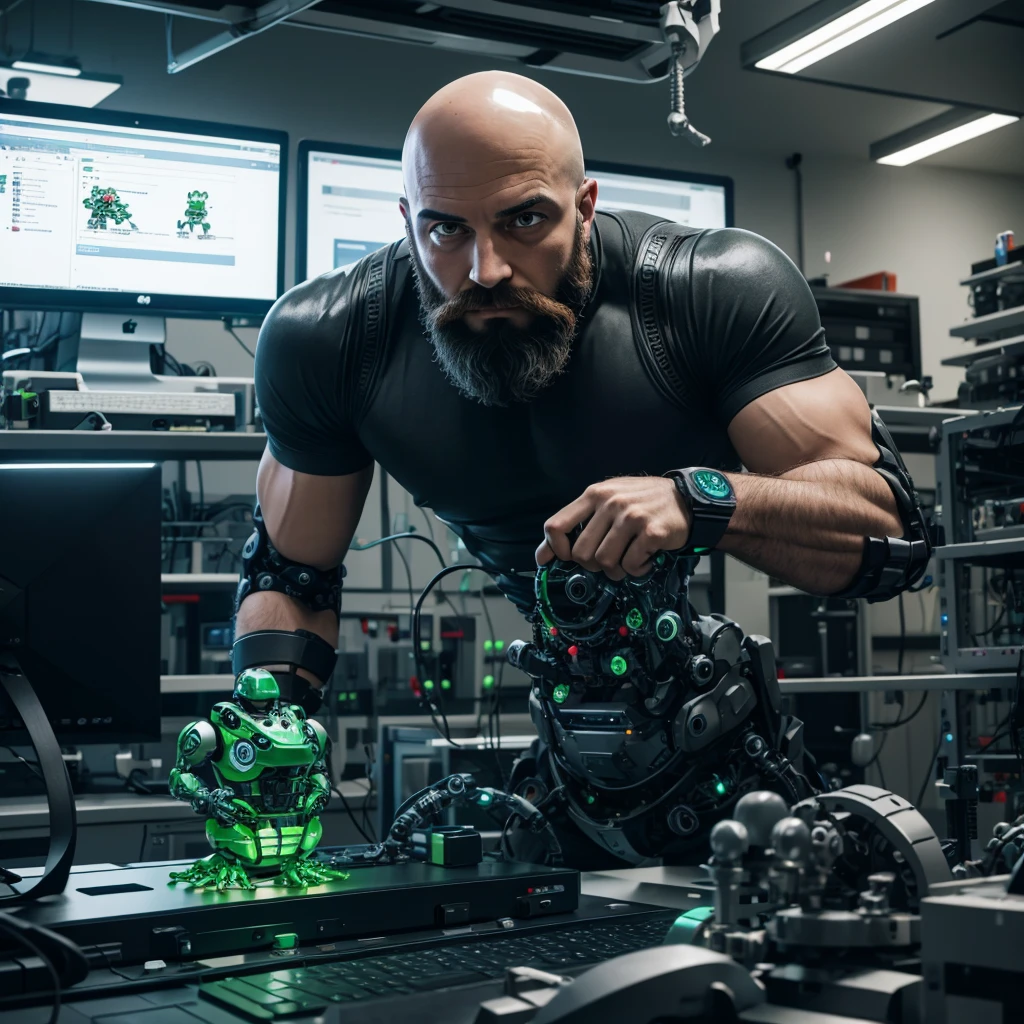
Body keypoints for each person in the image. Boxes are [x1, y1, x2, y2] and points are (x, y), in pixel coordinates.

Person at [233, 70, 929, 867]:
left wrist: (698, 497)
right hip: (565, 750)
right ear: (405, 221)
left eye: (523, 219)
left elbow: (891, 532)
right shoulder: (329, 338)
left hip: (716, 731)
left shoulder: (706, 291)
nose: (483, 269)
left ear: (586, 205)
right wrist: (263, 749)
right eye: (444, 230)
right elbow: (291, 578)